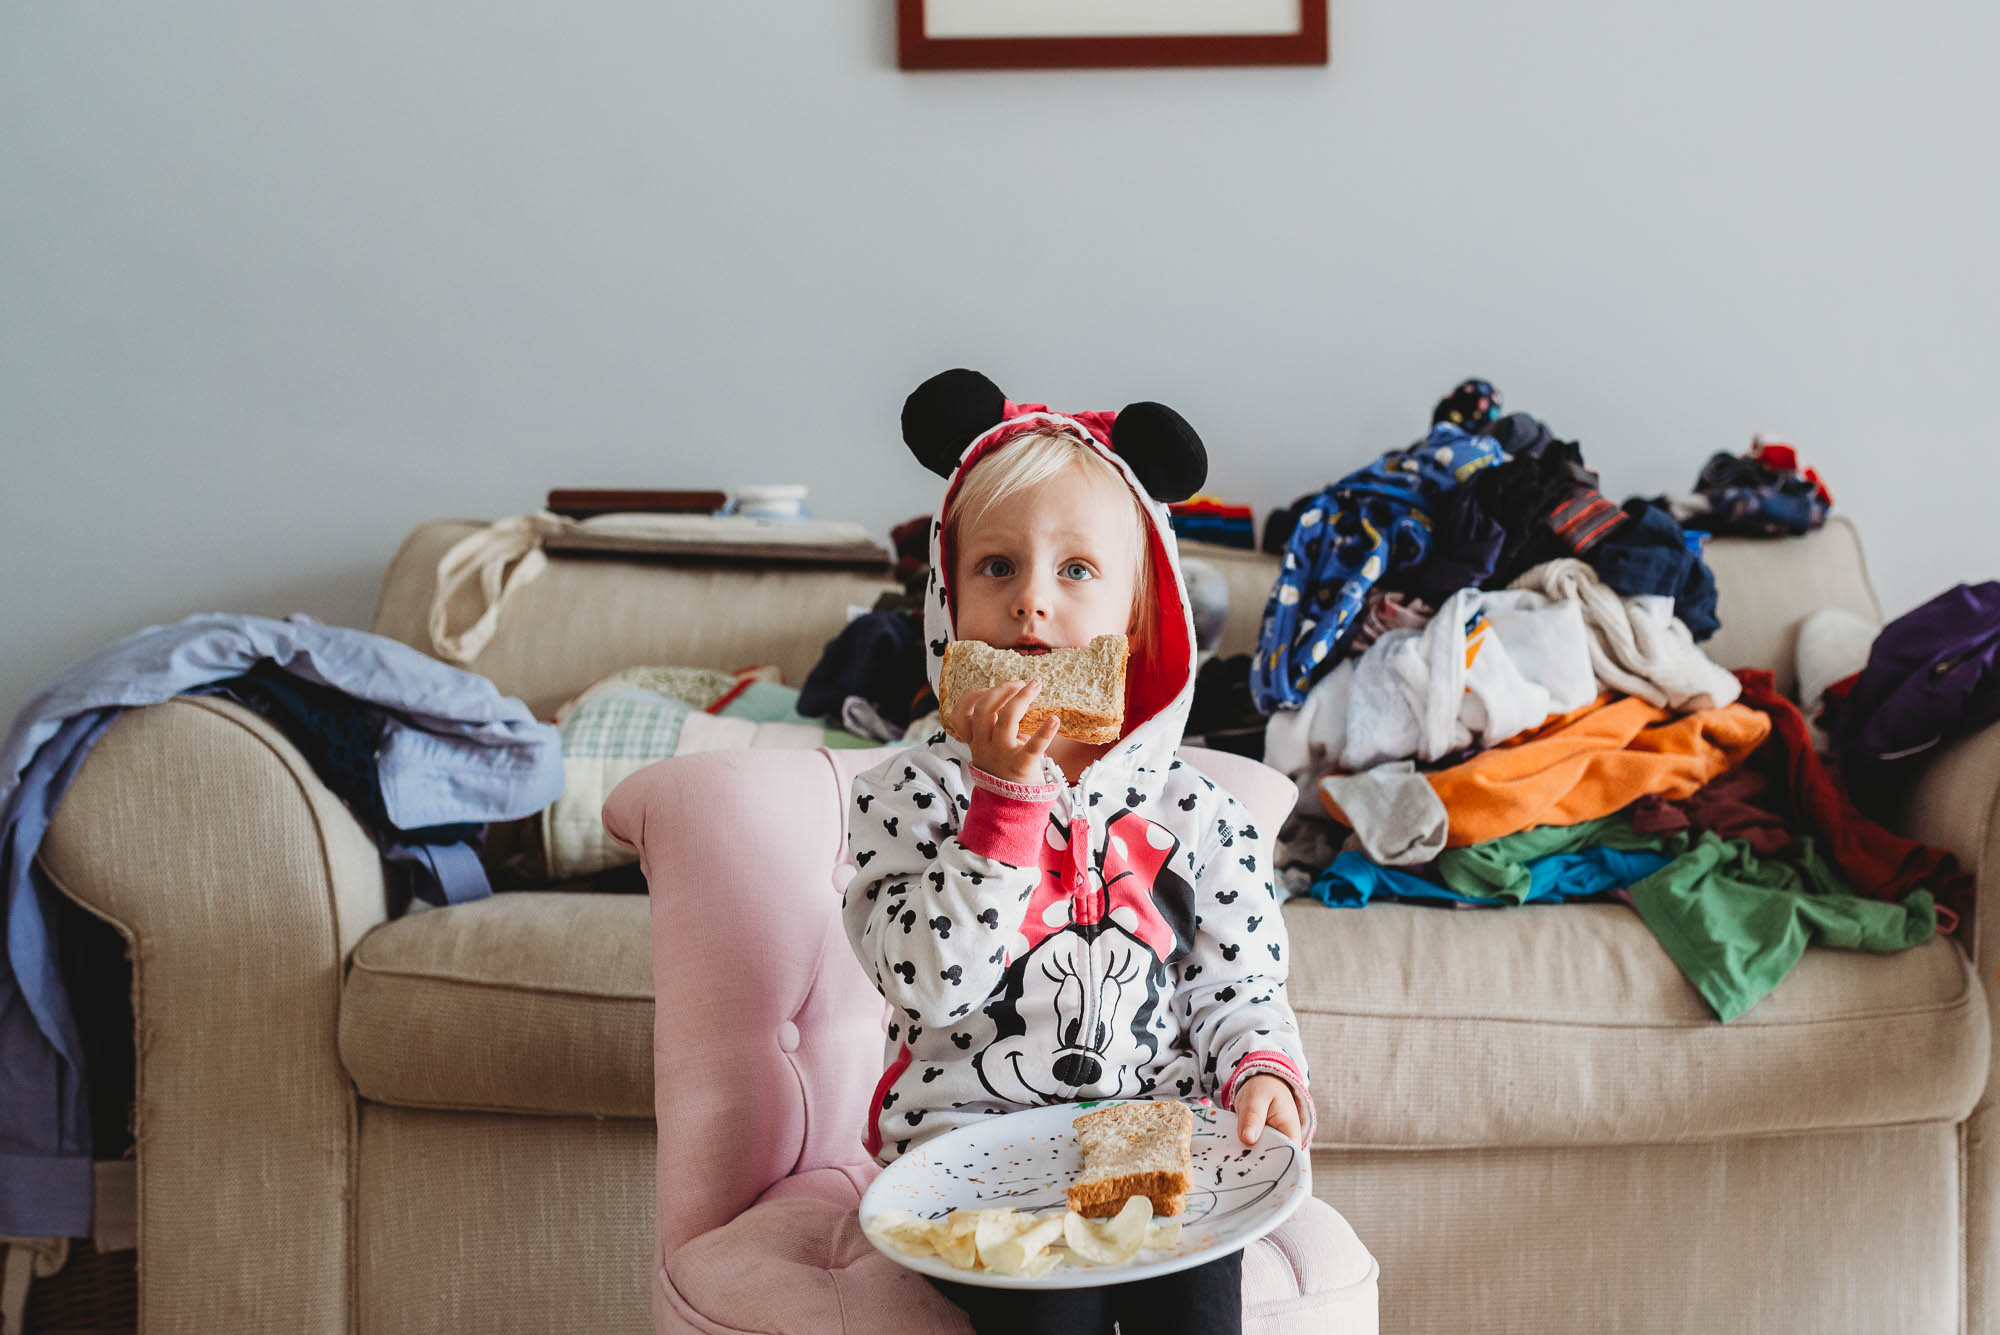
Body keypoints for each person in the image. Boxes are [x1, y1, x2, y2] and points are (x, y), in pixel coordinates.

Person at [841, 370, 1319, 1335]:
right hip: (968, 1150)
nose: (1031, 606)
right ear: (946, 599)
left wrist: (1261, 1065)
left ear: (1137, 621)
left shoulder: (1200, 814)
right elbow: (929, 984)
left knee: (1192, 1308)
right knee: (1055, 1319)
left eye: (1076, 570)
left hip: (1151, 1134)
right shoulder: (904, 796)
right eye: (997, 568)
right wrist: (1004, 801)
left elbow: (1239, 983)